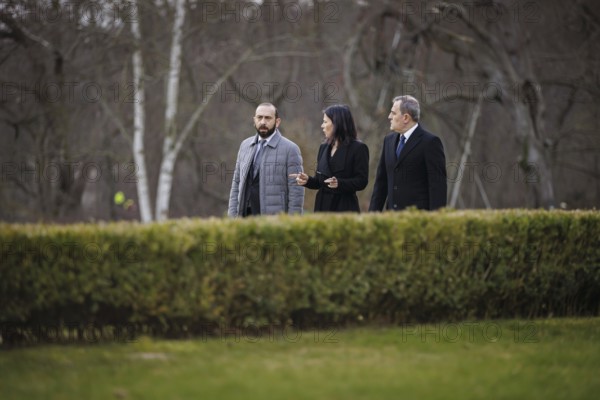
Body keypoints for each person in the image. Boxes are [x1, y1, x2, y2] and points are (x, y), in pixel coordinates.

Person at [369, 95, 447, 211]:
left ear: (405, 118)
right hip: (390, 220)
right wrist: (372, 217)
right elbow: (381, 183)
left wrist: (434, 222)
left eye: (393, 113)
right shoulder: (388, 141)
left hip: (418, 221)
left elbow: (437, 188)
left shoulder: (430, 143)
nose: (389, 117)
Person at [228, 103, 304, 217]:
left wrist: (292, 222)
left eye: (268, 118)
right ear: (254, 120)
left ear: (277, 122)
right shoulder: (245, 145)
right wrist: (232, 217)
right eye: (259, 117)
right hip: (243, 218)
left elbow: (296, 191)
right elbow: (236, 183)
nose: (263, 122)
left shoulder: (291, 149)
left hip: (274, 221)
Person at [290, 104, 369, 212]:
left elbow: (362, 181)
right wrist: (308, 180)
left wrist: (340, 183)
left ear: (337, 124)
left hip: (345, 209)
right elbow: (319, 182)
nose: (322, 125)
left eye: (325, 122)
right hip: (322, 208)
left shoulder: (358, 148)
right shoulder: (324, 147)